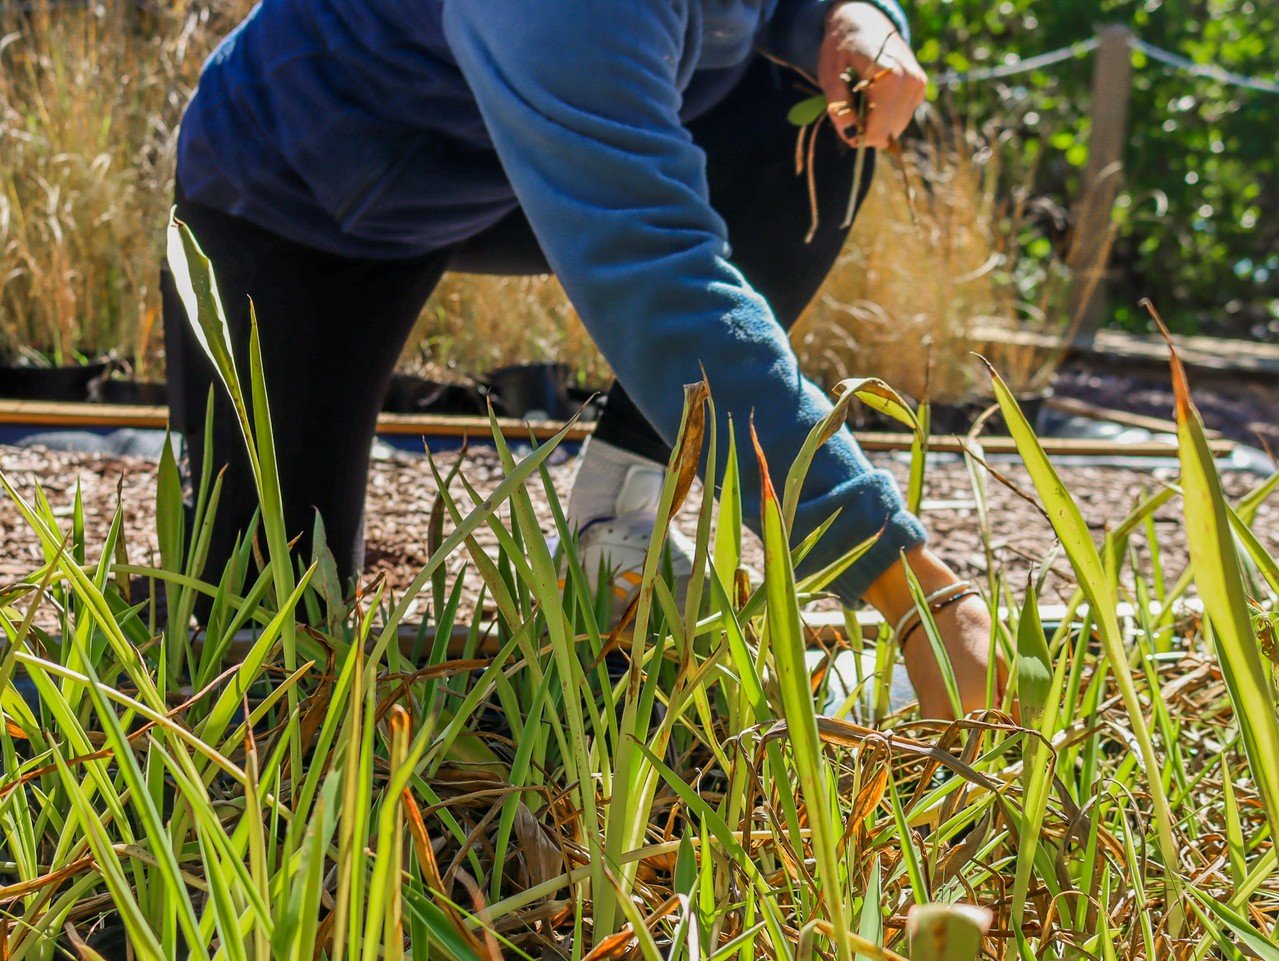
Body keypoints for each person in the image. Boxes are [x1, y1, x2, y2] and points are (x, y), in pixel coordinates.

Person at [166, 0, 1003, 716]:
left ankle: (621, 527)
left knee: (821, 97)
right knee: (263, 644)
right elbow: (655, 272)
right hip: (308, 190)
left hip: (529, 144)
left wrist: (850, 16)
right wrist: (908, 586)